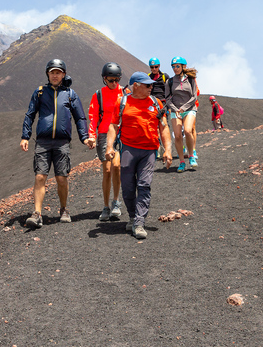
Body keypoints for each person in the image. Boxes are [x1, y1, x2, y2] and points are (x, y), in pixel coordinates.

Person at [20, 59, 90, 228]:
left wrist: (85, 137)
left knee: (61, 178)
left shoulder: (71, 94)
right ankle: (37, 213)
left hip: (62, 142)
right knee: (40, 176)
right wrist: (25, 136)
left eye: (58, 72)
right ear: (48, 74)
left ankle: (64, 209)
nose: (55, 75)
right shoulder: (40, 92)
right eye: (52, 72)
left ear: (63, 74)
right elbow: (30, 114)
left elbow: (79, 118)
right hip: (43, 142)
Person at [105, 72, 172, 239]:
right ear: (135, 85)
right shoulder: (122, 102)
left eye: (151, 85)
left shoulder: (155, 103)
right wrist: (109, 147)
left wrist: (168, 150)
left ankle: (139, 222)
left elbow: (163, 127)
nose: (151, 88)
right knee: (127, 187)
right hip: (128, 149)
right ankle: (133, 216)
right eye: (147, 85)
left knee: (144, 185)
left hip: (149, 151)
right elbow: (113, 126)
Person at [87, 62, 125, 221]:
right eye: (111, 80)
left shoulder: (125, 92)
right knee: (107, 170)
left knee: (116, 166)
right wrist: (91, 136)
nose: (114, 83)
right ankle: (106, 206)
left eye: (116, 80)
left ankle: (116, 202)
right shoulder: (98, 95)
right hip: (103, 134)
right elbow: (93, 116)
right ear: (104, 79)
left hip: (120, 133)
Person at [165, 56, 199, 173]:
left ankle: (191, 156)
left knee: (188, 130)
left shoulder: (191, 79)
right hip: (175, 110)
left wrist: (183, 108)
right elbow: (168, 98)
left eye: (177, 66)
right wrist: (176, 109)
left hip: (189, 109)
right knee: (178, 135)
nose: (175, 68)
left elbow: (194, 96)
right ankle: (181, 162)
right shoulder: (169, 81)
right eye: (173, 66)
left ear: (183, 66)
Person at [147, 57, 170, 159]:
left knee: (163, 127)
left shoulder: (165, 76)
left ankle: (166, 150)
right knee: (153, 129)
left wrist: (168, 107)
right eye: (152, 67)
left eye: (156, 66)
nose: (154, 69)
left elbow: (169, 92)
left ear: (159, 66)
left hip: (163, 105)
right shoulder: (148, 77)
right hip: (152, 105)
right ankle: (157, 149)